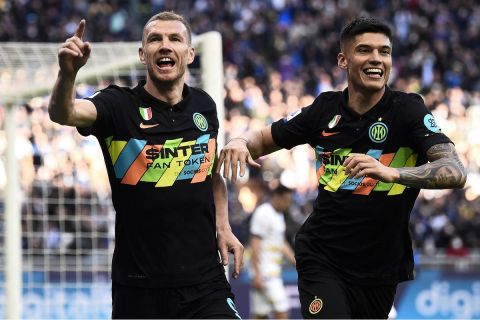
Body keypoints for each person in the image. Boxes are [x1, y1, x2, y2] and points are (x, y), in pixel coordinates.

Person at [217, 17, 467, 319]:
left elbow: (455, 169)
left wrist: (392, 173)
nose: (376, 58)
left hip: (381, 266)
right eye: (364, 50)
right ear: (343, 60)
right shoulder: (324, 111)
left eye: (384, 51)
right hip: (323, 257)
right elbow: (263, 138)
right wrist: (242, 141)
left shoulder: (408, 111)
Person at [48, 12, 244, 319]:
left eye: (175, 39)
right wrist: (67, 74)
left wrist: (223, 225)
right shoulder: (117, 106)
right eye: (155, 39)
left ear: (190, 54)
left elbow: (211, 174)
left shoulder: (204, 106)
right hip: (139, 290)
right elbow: (65, 113)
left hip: (205, 284)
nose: (165, 46)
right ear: (143, 54)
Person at [249, 183, 296, 319]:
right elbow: (255, 244)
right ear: (276, 197)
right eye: (286, 201)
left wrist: (296, 262)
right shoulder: (263, 213)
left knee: (260, 315)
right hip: (265, 275)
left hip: (272, 273)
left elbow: (281, 243)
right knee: (282, 311)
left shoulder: (279, 216)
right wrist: (256, 274)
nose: (287, 204)